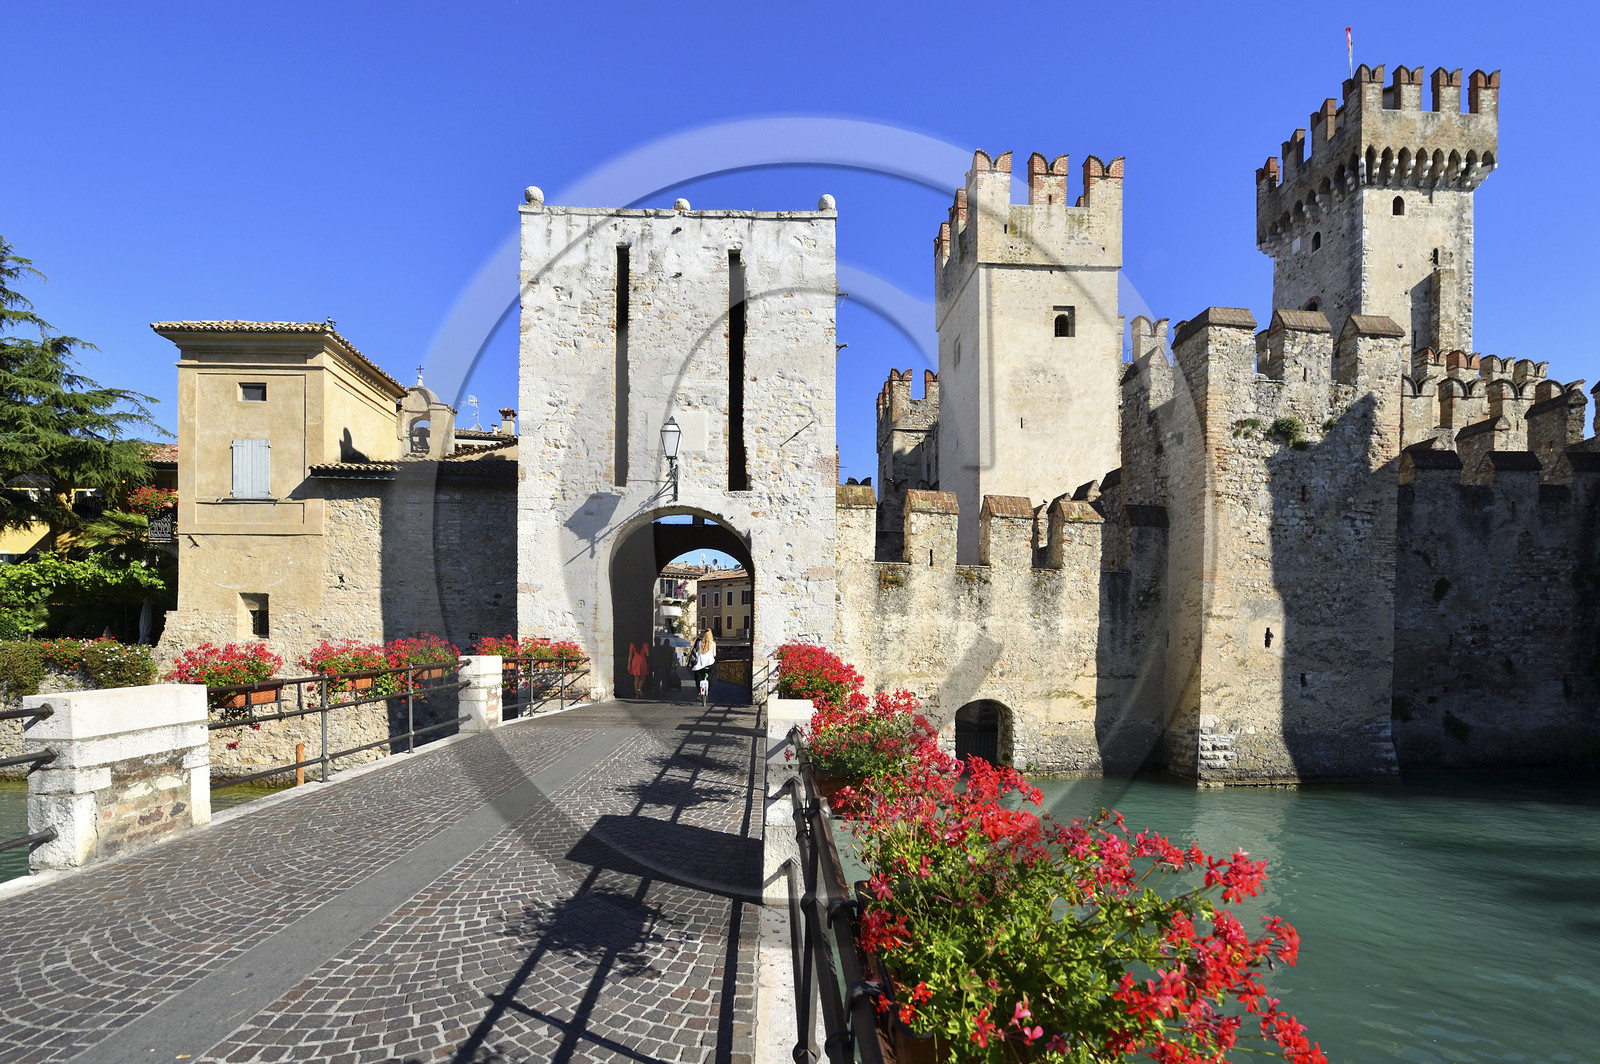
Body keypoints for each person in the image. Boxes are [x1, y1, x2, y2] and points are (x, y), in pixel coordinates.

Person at [689, 628, 717, 703]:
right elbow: (714, 655)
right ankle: (708, 688)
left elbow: (696, 651)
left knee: (698, 676)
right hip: (710, 665)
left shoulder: (699, 642)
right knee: (714, 674)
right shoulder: (713, 643)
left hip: (700, 665)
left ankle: (699, 691)